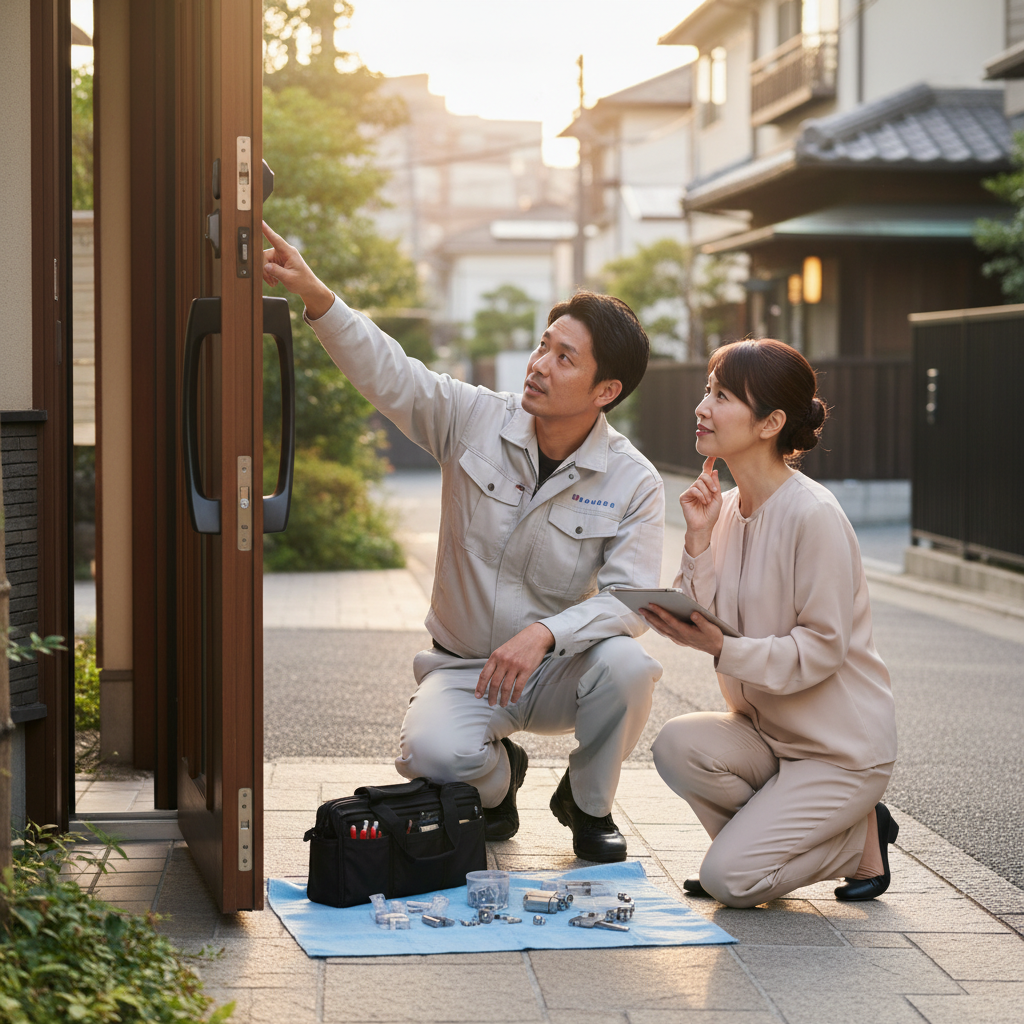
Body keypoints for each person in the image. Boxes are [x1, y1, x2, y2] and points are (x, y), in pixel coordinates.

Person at [262, 222, 664, 862]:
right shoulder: (475, 419)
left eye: (565, 358)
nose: (538, 366)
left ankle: (588, 807)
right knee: (428, 754)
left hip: (556, 668)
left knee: (630, 667)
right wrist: (315, 294)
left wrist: (546, 635)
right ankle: (499, 782)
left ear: (605, 391)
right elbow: (391, 373)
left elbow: (631, 601)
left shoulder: (633, 480)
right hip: (465, 666)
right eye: (542, 346)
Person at [644, 339, 898, 908]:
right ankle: (756, 847)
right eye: (707, 391)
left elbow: (821, 651)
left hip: (838, 750)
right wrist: (699, 537)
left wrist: (724, 650)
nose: (702, 407)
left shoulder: (814, 515)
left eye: (722, 395)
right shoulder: (728, 509)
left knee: (731, 882)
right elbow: (706, 618)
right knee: (677, 744)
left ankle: (860, 839)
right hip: (767, 734)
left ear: (771, 423)